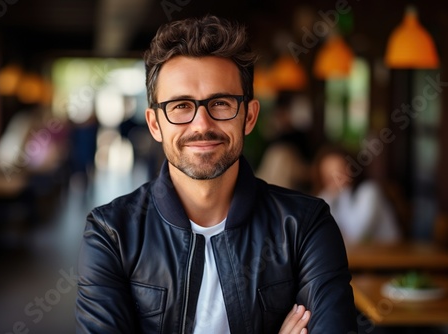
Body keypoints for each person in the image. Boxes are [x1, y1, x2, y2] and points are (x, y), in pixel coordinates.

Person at [76, 15, 357, 333]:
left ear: (249, 117)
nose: (202, 125)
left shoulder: (305, 226)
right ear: (155, 124)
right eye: (181, 106)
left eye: (221, 103)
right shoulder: (112, 234)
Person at [312, 144, 402, 245]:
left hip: (389, 254)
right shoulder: (331, 198)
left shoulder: (369, 191)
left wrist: (334, 194)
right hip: (359, 256)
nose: (335, 181)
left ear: (351, 169)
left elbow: (357, 235)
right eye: (328, 177)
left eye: (339, 172)